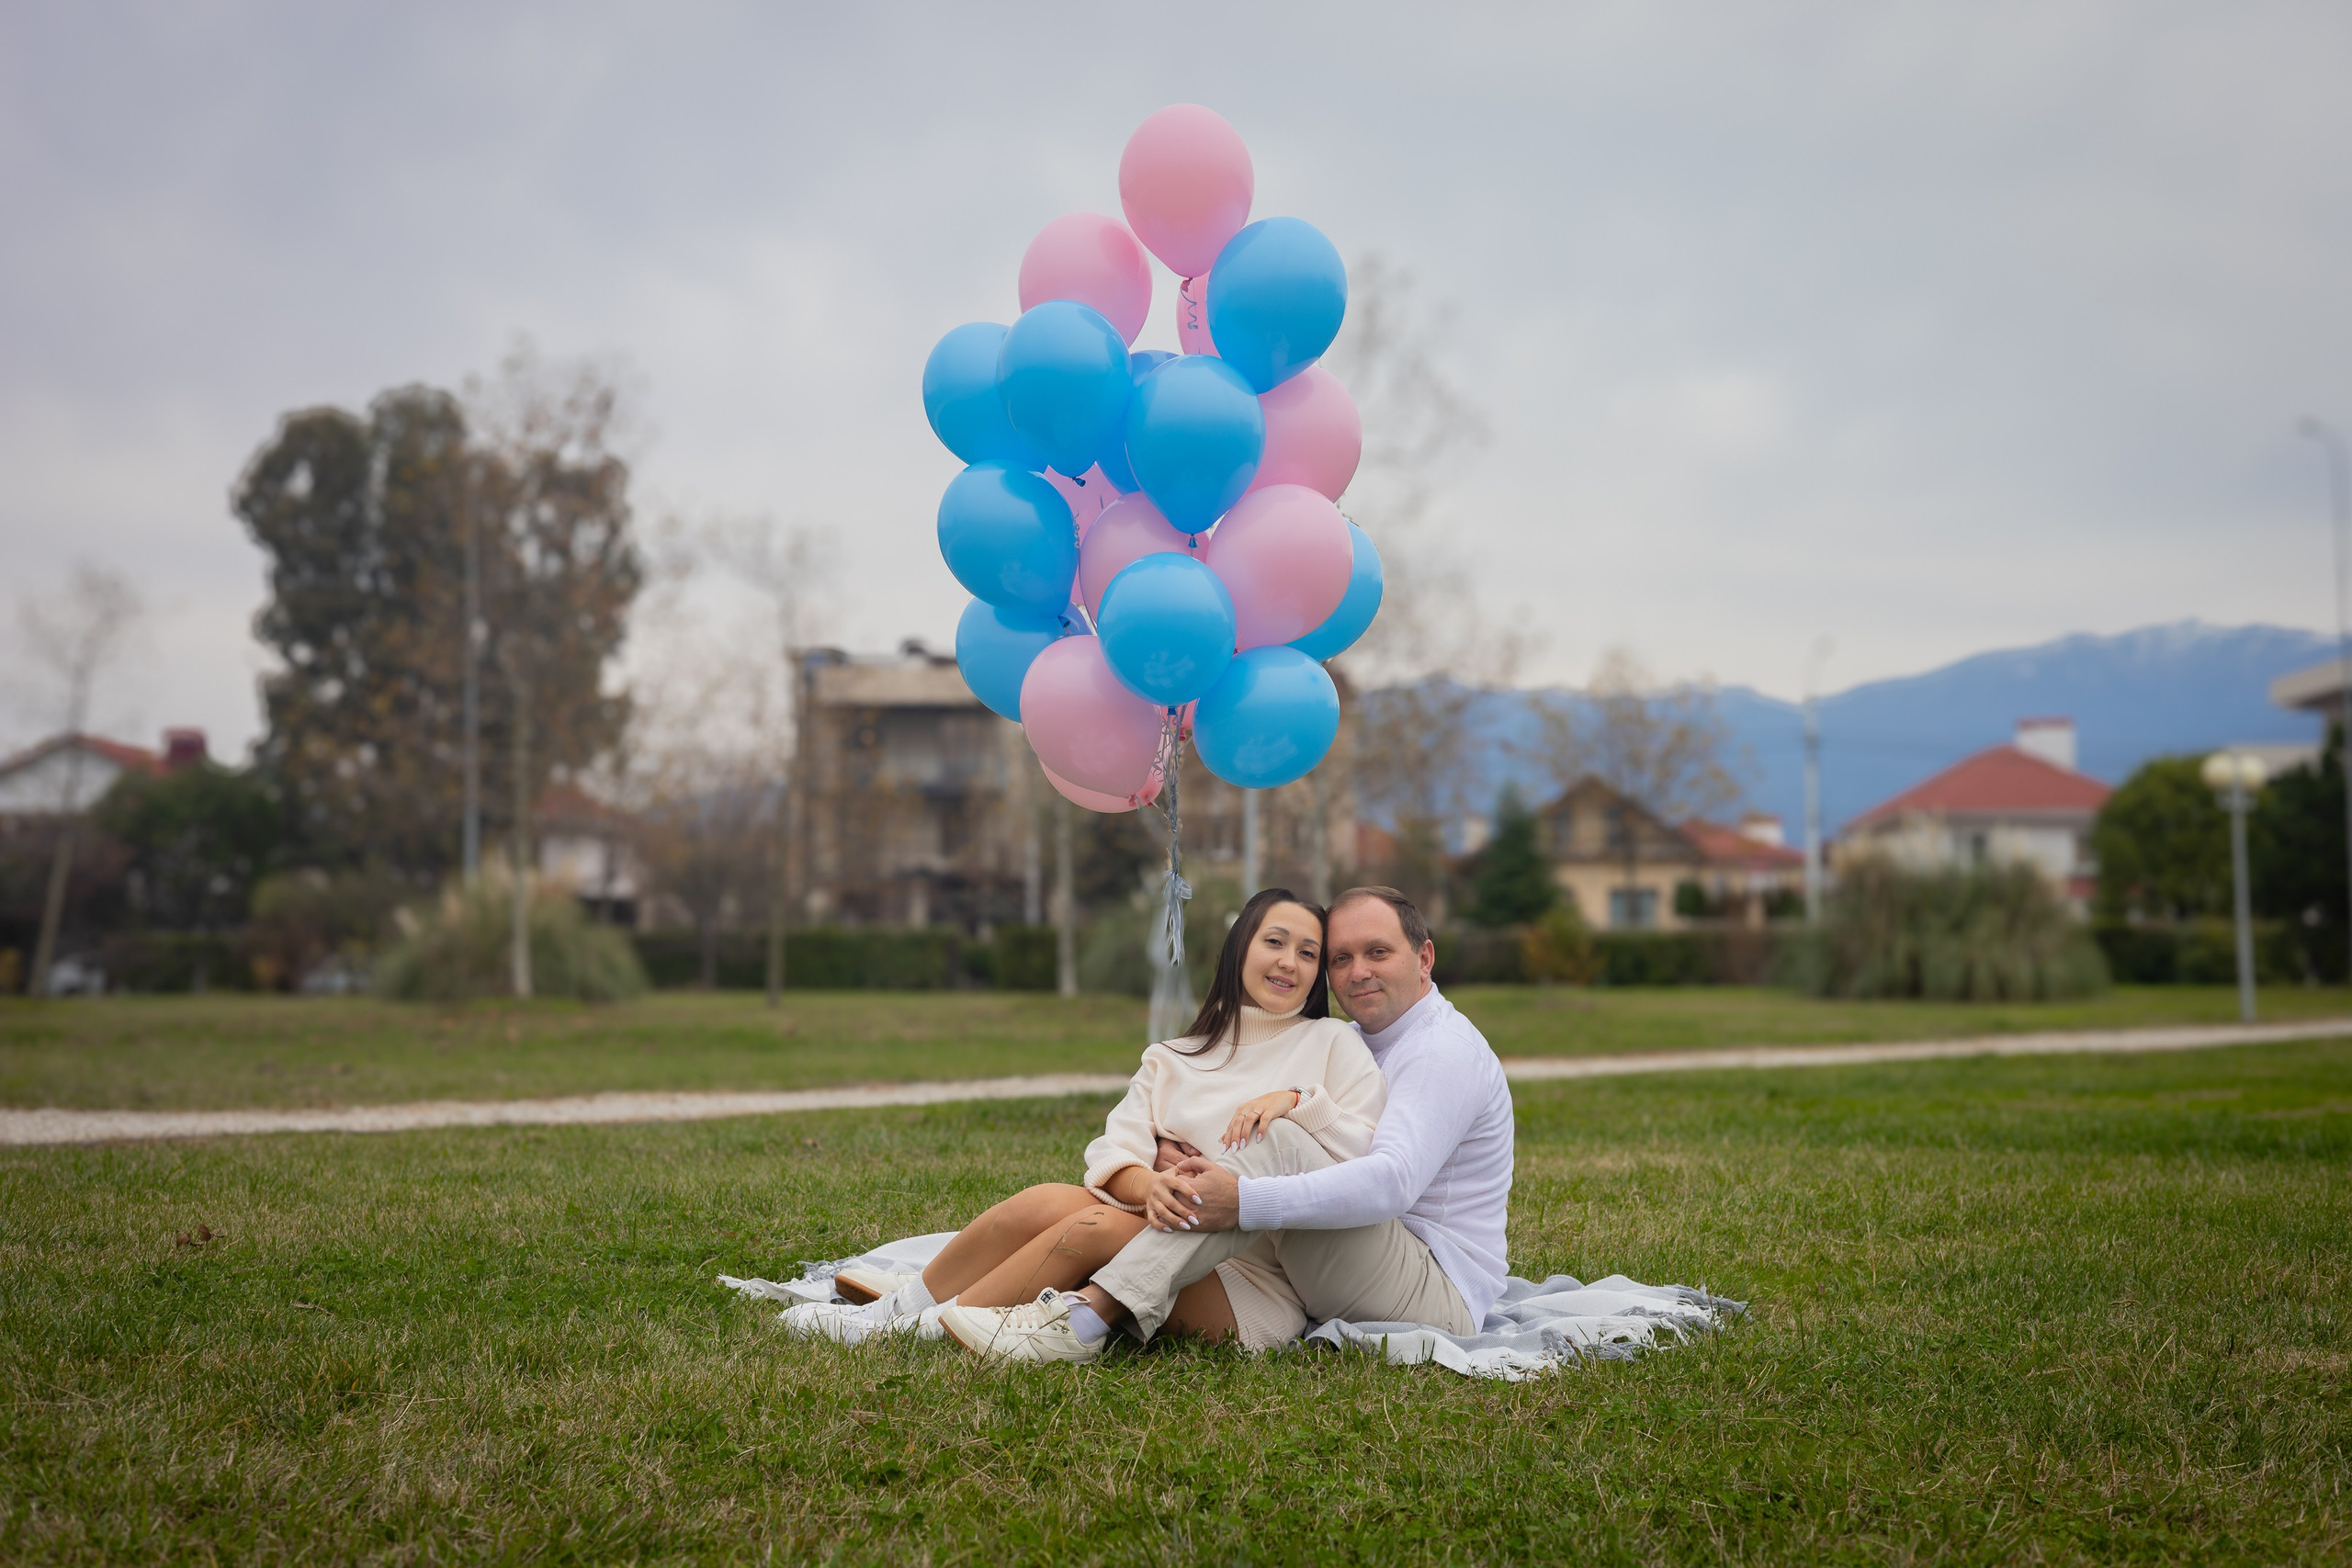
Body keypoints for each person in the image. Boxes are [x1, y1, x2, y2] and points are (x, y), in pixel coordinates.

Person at [938, 885, 1514, 1365]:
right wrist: (1172, 1156)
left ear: (1425, 958)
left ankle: (1086, 1318)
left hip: (1435, 1290)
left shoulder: (1440, 1052)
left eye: (1378, 953)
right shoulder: (1367, 1039)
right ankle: (926, 1304)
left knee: (1278, 1137)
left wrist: (1240, 1199)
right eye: (1342, 958)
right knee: (1062, 1204)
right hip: (1349, 1259)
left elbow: (1389, 1183)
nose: (1357, 972)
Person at [792, 887, 1384, 1343]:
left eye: (1308, 954)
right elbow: (1111, 1151)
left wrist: (1297, 1100)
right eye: (1274, 942)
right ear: (1240, 949)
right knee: (1047, 1200)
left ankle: (923, 1328)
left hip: (1250, 1279)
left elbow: (1357, 1150)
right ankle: (909, 1302)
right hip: (1157, 1227)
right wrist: (1152, 1182)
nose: (1289, 963)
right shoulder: (1175, 1057)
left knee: (1094, 1228)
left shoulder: (1331, 1042)